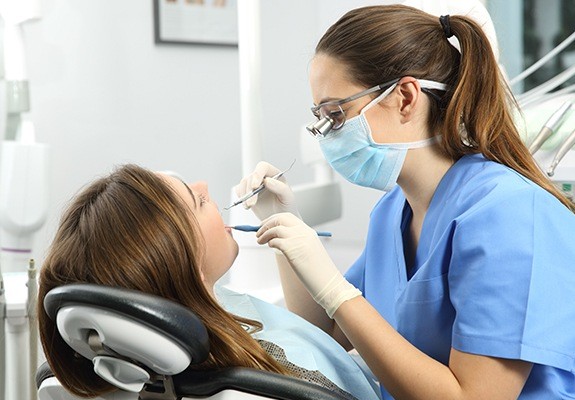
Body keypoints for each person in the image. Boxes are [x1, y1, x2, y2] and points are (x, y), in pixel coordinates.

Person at [234, 5, 575, 399]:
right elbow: (326, 331)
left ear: (406, 98)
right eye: (320, 118)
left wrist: (335, 288)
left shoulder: (509, 214)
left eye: (336, 115)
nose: (325, 136)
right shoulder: (392, 213)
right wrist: (284, 227)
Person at [37, 164, 380, 400]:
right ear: (191, 272)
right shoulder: (273, 376)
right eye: (198, 201)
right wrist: (335, 291)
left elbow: (306, 334)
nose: (204, 186)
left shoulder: (149, 352)